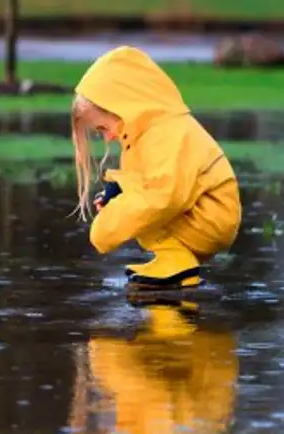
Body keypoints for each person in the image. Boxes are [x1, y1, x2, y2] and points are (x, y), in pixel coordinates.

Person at [70, 45, 241, 289]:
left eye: (104, 128)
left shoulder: (167, 133)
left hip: (210, 219)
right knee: (137, 206)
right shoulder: (146, 133)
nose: (108, 138)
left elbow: (164, 196)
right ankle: (174, 260)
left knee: (143, 210)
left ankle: (179, 264)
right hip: (201, 214)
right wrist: (117, 192)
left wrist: (106, 227)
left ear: (122, 107)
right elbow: (145, 179)